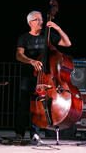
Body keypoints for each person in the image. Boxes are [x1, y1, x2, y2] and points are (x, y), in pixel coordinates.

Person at [15, 10, 71, 143]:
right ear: (30, 23)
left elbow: (67, 43)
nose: (41, 21)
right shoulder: (24, 38)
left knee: (40, 105)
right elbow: (19, 55)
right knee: (23, 105)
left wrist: (58, 28)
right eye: (37, 19)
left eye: (41, 19)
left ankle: (35, 133)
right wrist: (31, 61)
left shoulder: (48, 36)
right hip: (29, 76)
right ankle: (19, 133)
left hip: (46, 77)